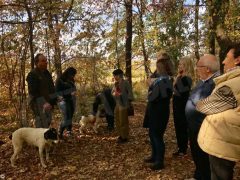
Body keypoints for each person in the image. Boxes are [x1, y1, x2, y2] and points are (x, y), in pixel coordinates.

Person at [197, 43, 240, 180]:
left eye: (227, 57)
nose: (223, 61)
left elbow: (206, 107)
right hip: (228, 138)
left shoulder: (232, 85)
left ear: (237, 60)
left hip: (223, 142)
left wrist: (197, 103)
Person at [185, 54, 219, 180]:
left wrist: (192, 99)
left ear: (207, 69)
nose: (196, 69)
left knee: (204, 157)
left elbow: (201, 102)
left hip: (203, 128)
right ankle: (198, 175)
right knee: (197, 155)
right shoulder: (202, 81)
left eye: (198, 66)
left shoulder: (215, 83)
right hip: (194, 127)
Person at [143, 52, 174, 170]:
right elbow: (150, 84)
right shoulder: (160, 78)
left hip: (160, 111)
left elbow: (152, 96)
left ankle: (159, 161)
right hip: (153, 109)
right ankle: (154, 156)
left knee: (157, 136)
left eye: (158, 66)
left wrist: (151, 91)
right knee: (152, 133)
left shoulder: (165, 80)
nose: (156, 68)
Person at [26, 53, 56, 128]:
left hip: (48, 103)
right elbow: (33, 91)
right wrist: (44, 103)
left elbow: (51, 88)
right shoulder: (32, 74)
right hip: (38, 104)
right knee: (40, 124)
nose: (46, 62)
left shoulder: (47, 73)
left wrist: (55, 99)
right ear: (37, 63)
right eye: (43, 61)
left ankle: (43, 138)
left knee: (48, 121)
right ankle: (37, 139)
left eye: (46, 60)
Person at [172, 56, 193, 156]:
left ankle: (183, 149)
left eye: (182, 64)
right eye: (179, 64)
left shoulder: (187, 78)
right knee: (177, 126)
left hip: (182, 105)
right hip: (176, 105)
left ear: (187, 66)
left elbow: (181, 92)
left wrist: (173, 86)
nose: (179, 66)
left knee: (182, 126)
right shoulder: (179, 77)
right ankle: (180, 147)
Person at [112, 69, 134, 143]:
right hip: (117, 104)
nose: (114, 77)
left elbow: (131, 95)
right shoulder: (115, 84)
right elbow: (112, 92)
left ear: (119, 75)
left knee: (123, 121)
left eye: (115, 75)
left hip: (124, 104)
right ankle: (120, 135)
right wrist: (114, 94)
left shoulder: (126, 83)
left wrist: (124, 97)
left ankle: (124, 137)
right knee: (117, 120)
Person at [56, 67, 77, 138]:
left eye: (74, 75)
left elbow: (74, 88)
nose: (73, 76)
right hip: (63, 100)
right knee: (66, 117)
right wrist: (69, 93)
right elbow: (57, 92)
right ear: (68, 73)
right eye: (72, 74)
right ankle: (60, 131)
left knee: (70, 116)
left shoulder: (71, 79)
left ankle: (69, 131)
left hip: (71, 99)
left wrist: (73, 92)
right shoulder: (60, 80)